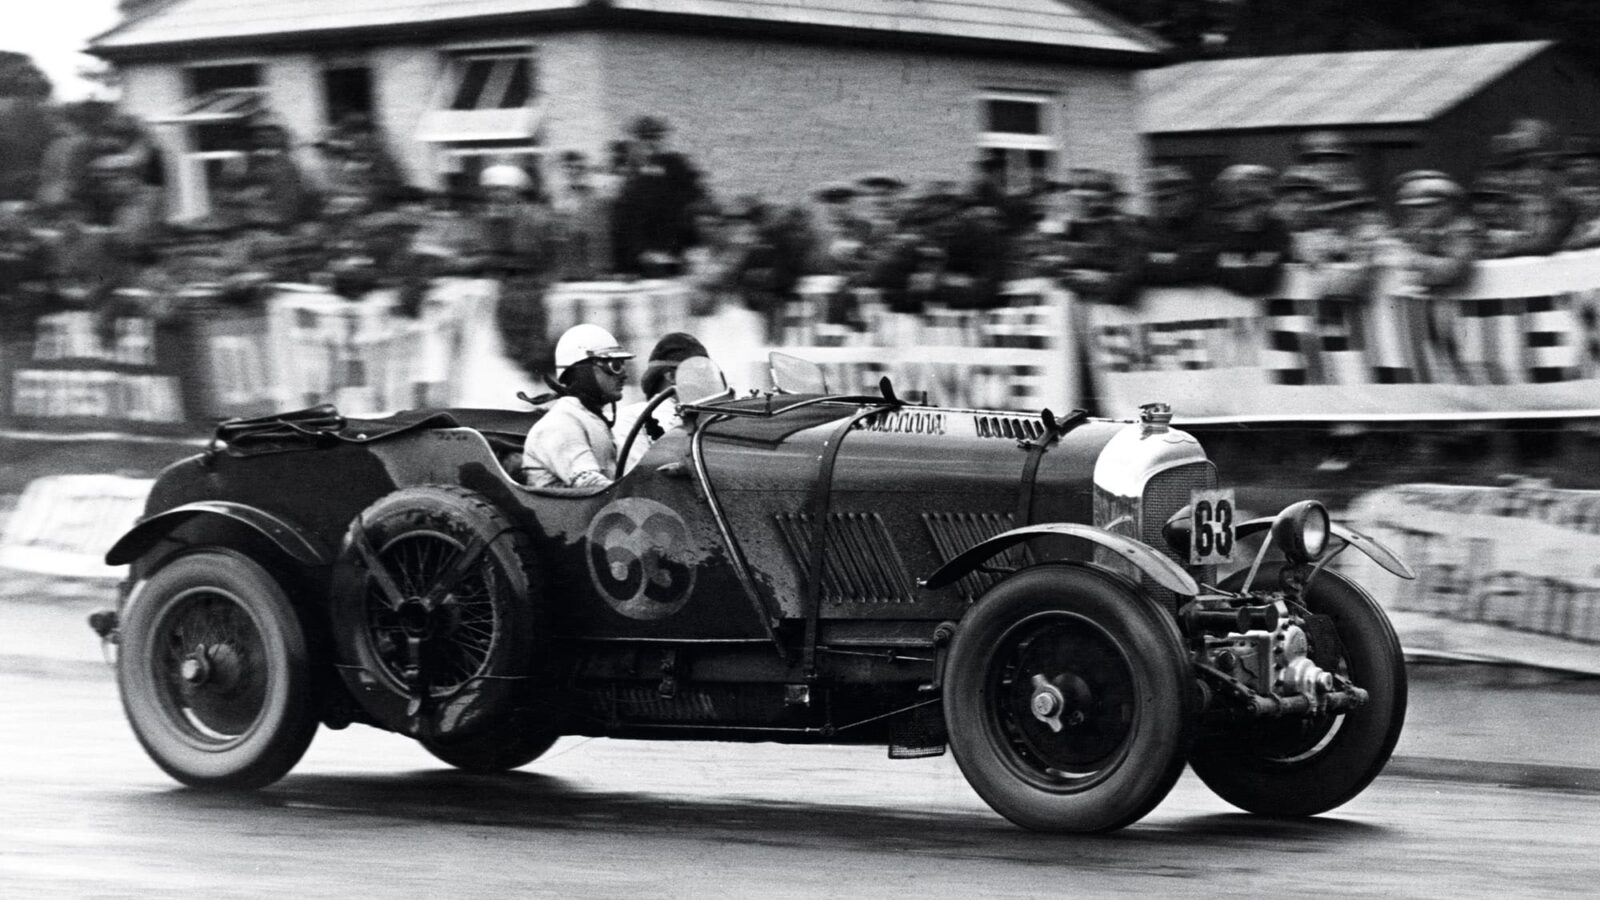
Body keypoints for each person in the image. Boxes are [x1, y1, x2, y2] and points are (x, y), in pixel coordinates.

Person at [520, 324, 635, 489]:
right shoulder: (560, 424)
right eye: (615, 365)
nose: (624, 374)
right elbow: (591, 486)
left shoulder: (589, 418)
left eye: (623, 364)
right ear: (584, 372)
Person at [612, 331, 709, 473]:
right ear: (671, 376)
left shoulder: (703, 420)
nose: (705, 381)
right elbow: (637, 479)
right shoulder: (633, 418)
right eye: (698, 372)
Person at [1390, 170, 1477, 290]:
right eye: (1411, 207)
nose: (1415, 212)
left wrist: (1410, 258)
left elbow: (1452, 272)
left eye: (1425, 206)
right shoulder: (1415, 230)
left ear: (1447, 205)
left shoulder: (1464, 230)